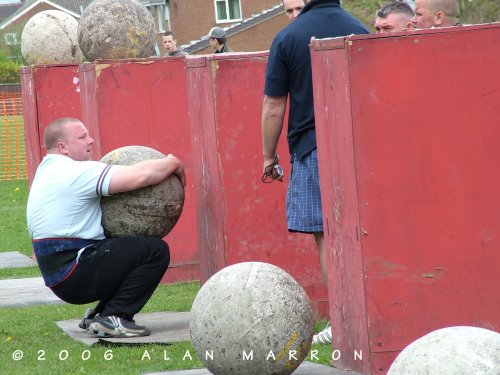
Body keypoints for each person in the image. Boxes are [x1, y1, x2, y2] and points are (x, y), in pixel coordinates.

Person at [261, 0, 369, 345]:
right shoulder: (361, 29)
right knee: (364, 235)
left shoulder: (287, 37)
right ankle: (370, 316)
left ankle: (344, 321)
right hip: (360, 144)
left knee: (327, 235)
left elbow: (274, 105)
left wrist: (268, 156)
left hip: (313, 146)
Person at [26, 117, 186, 338]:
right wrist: (173, 162)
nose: (90, 141)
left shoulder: (47, 171)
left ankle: (100, 315)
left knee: (121, 248)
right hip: (73, 273)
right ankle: (115, 317)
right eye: (82, 137)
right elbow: (140, 176)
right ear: (62, 147)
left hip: (62, 274)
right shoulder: (75, 172)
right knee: (154, 251)